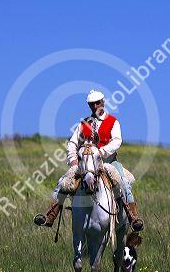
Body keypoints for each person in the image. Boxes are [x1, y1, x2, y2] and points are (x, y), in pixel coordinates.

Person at [34, 90, 144, 231]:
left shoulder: (113, 122)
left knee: (124, 182)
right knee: (63, 182)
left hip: (108, 162)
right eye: (92, 104)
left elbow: (117, 141)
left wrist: (101, 152)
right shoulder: (84, 123)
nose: (95, 106)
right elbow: (72, 143)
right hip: (86, 165)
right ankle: (49, 216)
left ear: (103, 102)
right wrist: (73, 160)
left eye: (97, 103)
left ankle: (133, 218)